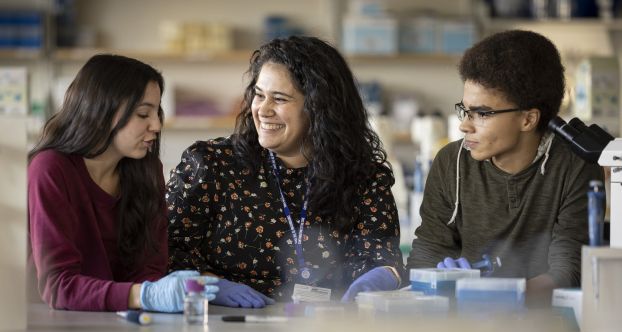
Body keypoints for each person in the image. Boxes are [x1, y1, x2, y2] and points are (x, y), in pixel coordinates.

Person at [167, 36, 405, 308]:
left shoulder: (363, 178)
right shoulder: (212, 164)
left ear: (319, 108)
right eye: (259, 95)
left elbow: (381, 258)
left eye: (279, 98)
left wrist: (379, 277)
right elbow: (164, 249)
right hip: (225, 325)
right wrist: (209, 284)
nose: (263, 109)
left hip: (328, 331)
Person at [407, 30, 604, 304]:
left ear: (528, 119)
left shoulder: (575, 165)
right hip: (462, 322)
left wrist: (500, 295)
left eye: (482, 113)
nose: (465, 125)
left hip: (543, 325)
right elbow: (426, 252)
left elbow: (567, 270)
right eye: (465, 110)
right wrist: (435, 278)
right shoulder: (450, 163)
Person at [28, 54, 218, 312]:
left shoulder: (147, 170)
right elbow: (59, 286)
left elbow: (149, 269)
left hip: (124, 320)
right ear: (100, 111)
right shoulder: (50, 169)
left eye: (157, 112)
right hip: (55, 325)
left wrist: (165, 290)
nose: (157, 125)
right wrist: (145, 295)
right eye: (143, 114)